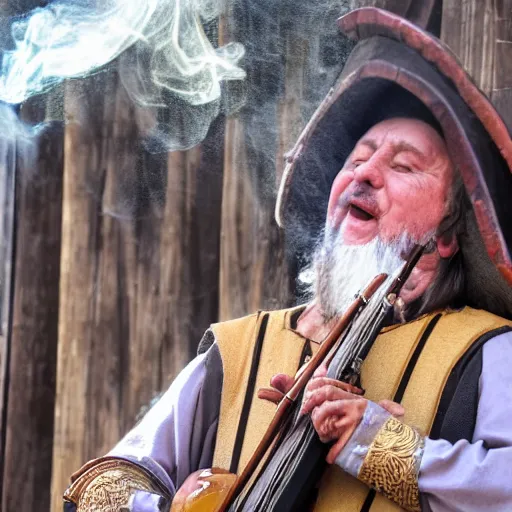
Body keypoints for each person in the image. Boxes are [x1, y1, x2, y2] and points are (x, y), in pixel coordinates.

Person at [63, 8, 512, 512]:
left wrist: (379, 443)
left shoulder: (488, 350)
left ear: (449, 234)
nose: (364, 174)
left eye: (404, 165)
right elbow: (101, 487)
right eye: (358, 158)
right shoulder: (235, 350)